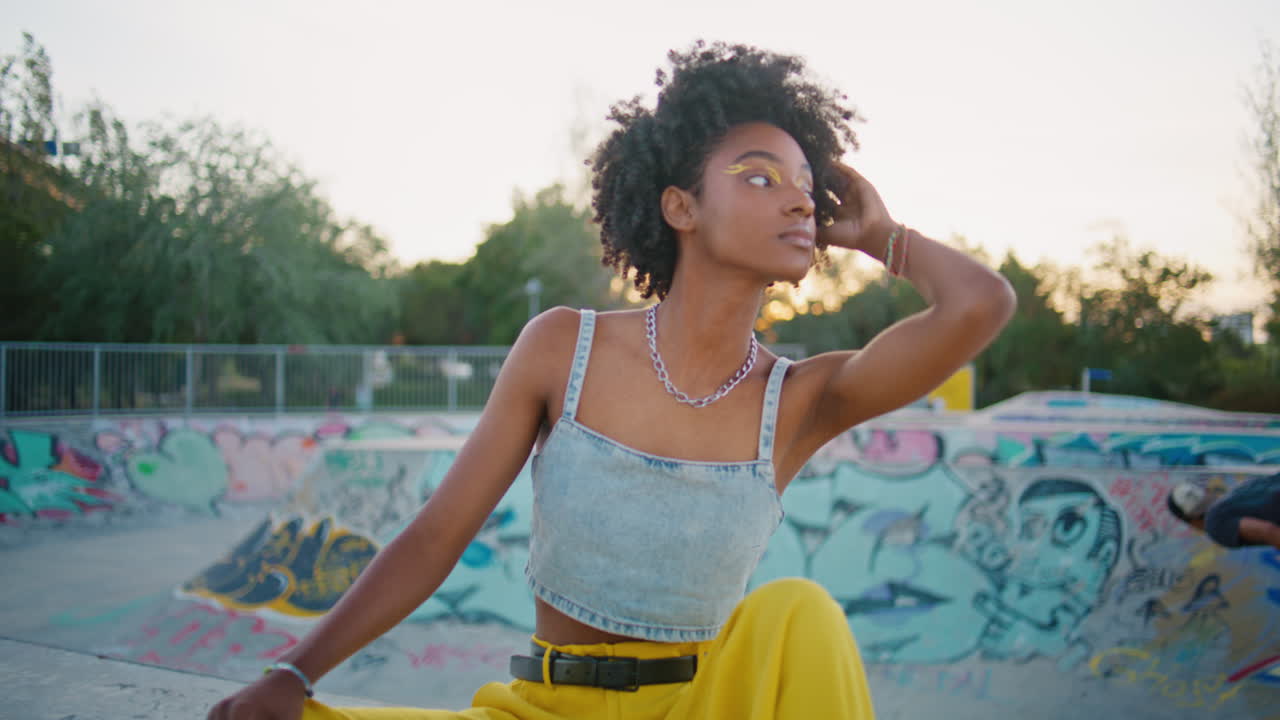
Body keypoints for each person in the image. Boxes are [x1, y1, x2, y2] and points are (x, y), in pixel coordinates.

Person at [208, 40, 1016, 720]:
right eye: (761, 177)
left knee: (800, 612)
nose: (800, 202)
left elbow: (981, 305)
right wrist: (295, 672)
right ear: (680, 207)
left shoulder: (802, 399)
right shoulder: (565, 347)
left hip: (705, 706)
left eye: (809, 186)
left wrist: (883, 236)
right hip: (544, 706)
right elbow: (434, 537)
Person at [1167, 472, 1280, 551]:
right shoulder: (1240, 491)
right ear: (1207, 493)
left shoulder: (1214, 523)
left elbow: (1267, 530)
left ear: (1190, 521)